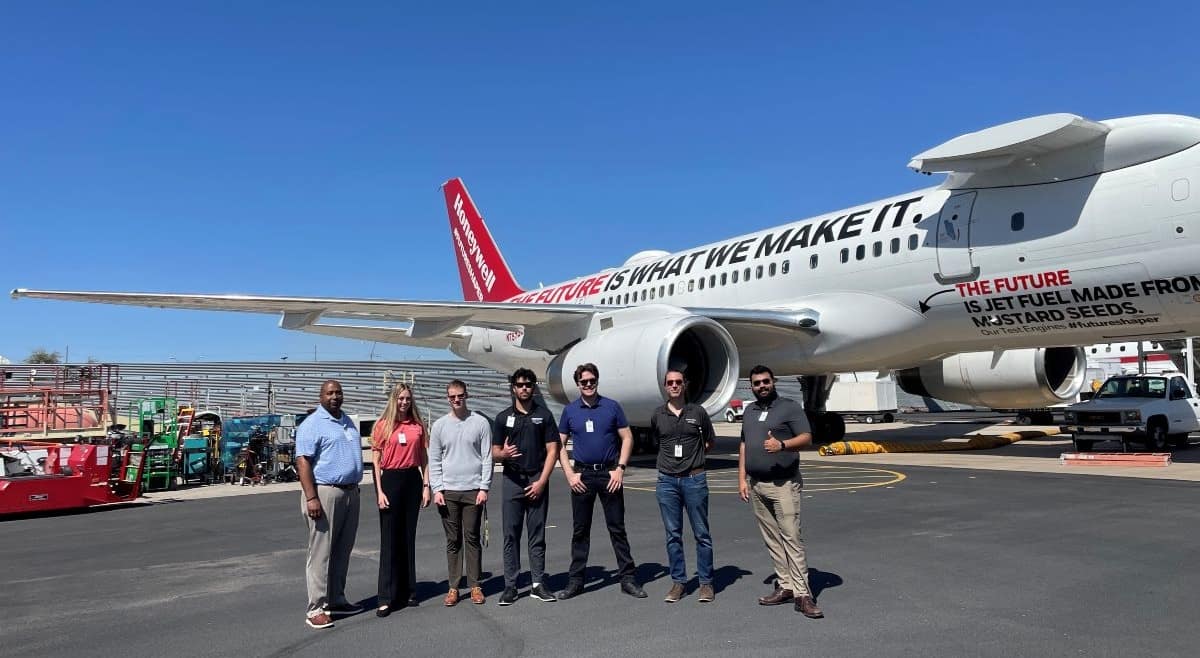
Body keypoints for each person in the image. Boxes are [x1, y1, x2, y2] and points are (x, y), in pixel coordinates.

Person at [737, 365, 824, 619]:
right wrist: (741, 477)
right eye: (756, 383)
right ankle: (785, 586)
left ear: (773, 382)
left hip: (783, 485)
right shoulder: (750, 411)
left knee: (792, 538)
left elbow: (807, 437)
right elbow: (744, 443)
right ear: (751, 386)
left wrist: (782, 445)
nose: (761, 386)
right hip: (757, 485)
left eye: (765, 382)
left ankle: (803, 594)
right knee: (772, 539)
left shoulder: (789, 407)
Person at [556, 363, 646, 600]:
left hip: (609, 475)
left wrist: (620, 469)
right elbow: (559, 445)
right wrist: (569, 474)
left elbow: (627, 437)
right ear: (578, 384)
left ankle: (628, 579)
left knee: (617, 528)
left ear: (597, 380)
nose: (588, 385)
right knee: (580, 531)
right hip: (582, 476)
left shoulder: (612, 407)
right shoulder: (570, 411)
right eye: (584, 381)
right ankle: (576, 581)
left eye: (592, 380)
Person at [296, 379, 364, 629]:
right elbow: (303, 461)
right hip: (325, 492)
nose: (335, 396)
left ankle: (336, 598)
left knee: (342, 550)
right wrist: (312, 497)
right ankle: (316, 608)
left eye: (338, 392)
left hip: (350, 493)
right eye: (330, 393)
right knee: (321, 552)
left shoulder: (347, 421)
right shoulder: (312, 424)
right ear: (321, 396)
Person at [492, 368, 561, 605]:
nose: (524, 388)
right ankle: (510, 586)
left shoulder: (544, 415)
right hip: (512, 481)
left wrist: (542, 481)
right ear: (513, 387)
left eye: (528, 384)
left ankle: (537, 583)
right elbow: (494, 452)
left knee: (537, 535)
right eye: (520, 384)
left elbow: (554, 450)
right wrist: (503, 454)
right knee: (511, 534)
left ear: (533, 387)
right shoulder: (502, 418)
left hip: (536, 480)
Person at [650, 370, 716, 604]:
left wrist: (693, 461)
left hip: (694, 479)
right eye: (670, 383)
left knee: (702, 534)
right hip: (667, 481)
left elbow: (709, 441)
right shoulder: (658, 414)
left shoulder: (698, 413)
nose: (675, 386)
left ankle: (706, 583)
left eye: (678, 382)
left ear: (684, 385)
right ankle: (679, 582)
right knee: (673, 535)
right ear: (665, 387)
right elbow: (658, 440)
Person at [428, 379, 493, 606]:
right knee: (453, 540)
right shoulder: (439, 426)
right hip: (448, 493)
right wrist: (437, 489)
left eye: (460, 395)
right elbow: (434, 460)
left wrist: (484, 487)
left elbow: (487, 457)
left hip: (473, 490)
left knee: (472, 538)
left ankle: (475, 585)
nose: (457, 400)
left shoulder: (481, 423)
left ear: (467, 395)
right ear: (447, 398)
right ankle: (454, 587)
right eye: (452, 396)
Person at [370, 383, 431, 618]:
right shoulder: (382, 426)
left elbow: (424, 457)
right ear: (394, 400)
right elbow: (375, 461)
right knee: (390, 540)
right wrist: (380, 491)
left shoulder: (417, 426)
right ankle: (386, 597)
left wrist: (426, 485)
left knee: (408, 538)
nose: (404, 402)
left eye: (407, 398)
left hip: (412, 481)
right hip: (391, 481)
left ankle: (408, 591)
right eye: (400, 398)